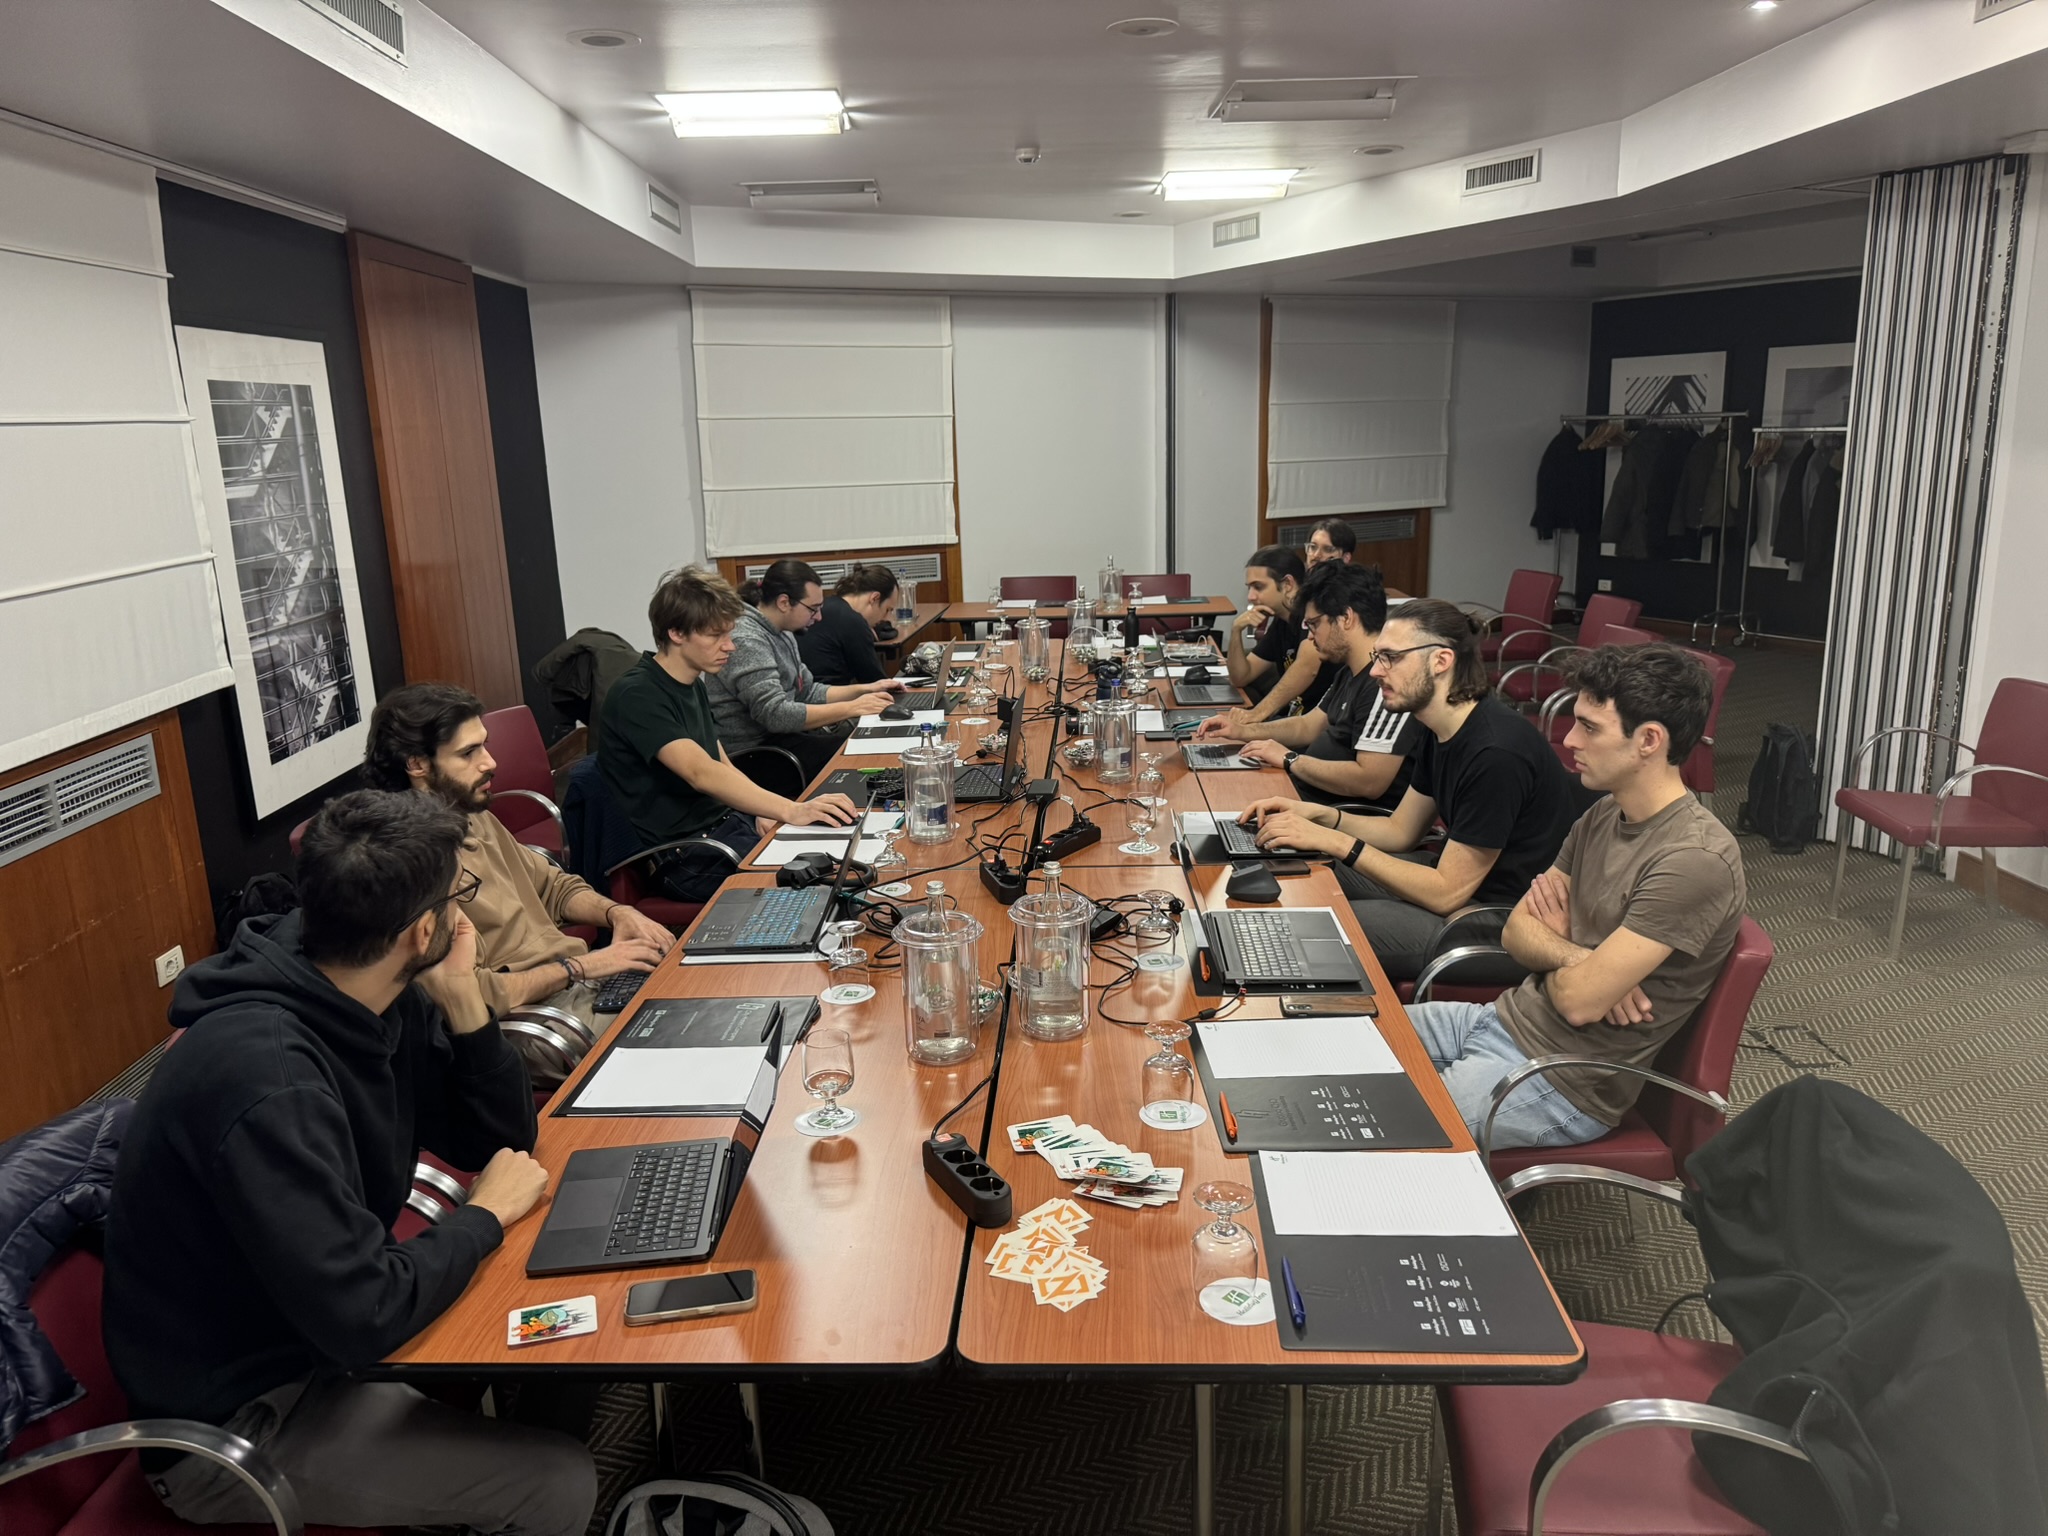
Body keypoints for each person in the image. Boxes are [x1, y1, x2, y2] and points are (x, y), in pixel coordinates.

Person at [102, 790, 596, 1535]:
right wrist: (484, 1214)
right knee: (557, 1482)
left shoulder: (373, 985)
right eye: (457, 895)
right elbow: (363, 1315)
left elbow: (498, 1143)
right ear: (422, 929)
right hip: (245, 1423)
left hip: (316, 1341)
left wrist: (465, 1004)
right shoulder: (267, 1079)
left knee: (573, 1345)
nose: (465, 915)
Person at [1402, 644, 1747, 1148]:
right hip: (1499, 1019)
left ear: (1649, 740)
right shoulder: (1604, 812)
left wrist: (1565, 962)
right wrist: (1576, 956)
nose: (1568, 739)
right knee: (1333, 1043)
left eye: (1590, 727)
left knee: (1388, 1133)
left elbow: (1581, 1004)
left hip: (1560, 1080)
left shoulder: (1693, 860)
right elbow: (1517, 931)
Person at [1240, 597, 1579, 981]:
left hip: (1491, 920)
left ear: (1441, 661)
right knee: (1300, 862)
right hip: (1454, 889)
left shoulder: (1495, 752)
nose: (1375, 672)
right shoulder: (1439, 727)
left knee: (1309, 921)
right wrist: (1320, 817)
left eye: (1390, 658)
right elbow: (1400, 831)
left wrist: (1335, 840)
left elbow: (1446, 893)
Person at [364, 683, 675, 1029]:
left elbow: (554, 888)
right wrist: (582, 967)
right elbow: (471, 994)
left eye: (485, 745)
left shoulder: (471, 813)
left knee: (692, 986)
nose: (490, 762)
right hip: (530, 1019)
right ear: (417, 764)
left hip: (575, 985)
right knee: (681, 1026)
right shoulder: (409, 867)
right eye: (468, 753)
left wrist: (617, 913)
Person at [603, 565, 859, 902]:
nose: (730, 647)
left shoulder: (690, 682)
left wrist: (760, 810)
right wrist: (792, 809)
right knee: (823, 890)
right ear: (677, 633)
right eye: (716, 636)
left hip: (726, 830)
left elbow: (718, 758)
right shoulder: (637, 694)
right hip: (690, 857)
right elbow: (701, 772)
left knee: (847, 865)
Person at [1192, 561, 1418, 809]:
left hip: (1334, 818)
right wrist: (1243, 731)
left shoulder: (1384, 685)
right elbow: (1307, 726)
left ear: (1346, 618)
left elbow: (1370, 782)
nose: (1309, 636)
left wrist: (1290, 759)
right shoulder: (1349, 672)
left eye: (1314, 624)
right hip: (1305, 796)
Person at [707, 558, 898, 778]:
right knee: (861, 753)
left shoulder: (784, 631)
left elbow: (807, 691)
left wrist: (866, 689)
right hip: (756, 754)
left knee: (868, 742)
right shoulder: (747, 639)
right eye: (813, 609)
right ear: (784, 603)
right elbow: (775, 714)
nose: (818, 617)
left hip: (783, 740)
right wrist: (853, 708)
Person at [1219, 545, 1331, 715]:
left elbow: (1307, 668)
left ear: (1287, 584)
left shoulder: (1314, 618)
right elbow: (1241, 677)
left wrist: (1256, 716)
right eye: (1249, 588)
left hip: (1318, 723)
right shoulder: (1281, 622)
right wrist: (1236, 631)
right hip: (1296, 718)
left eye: (1259, 587)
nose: (1251, 596)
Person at [797, 562, 899, 687]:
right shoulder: (853, 621)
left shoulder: (827, 606)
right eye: (887, 609)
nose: (886, 618)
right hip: (827, 698)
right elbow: (875, 682)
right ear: (875, 598)